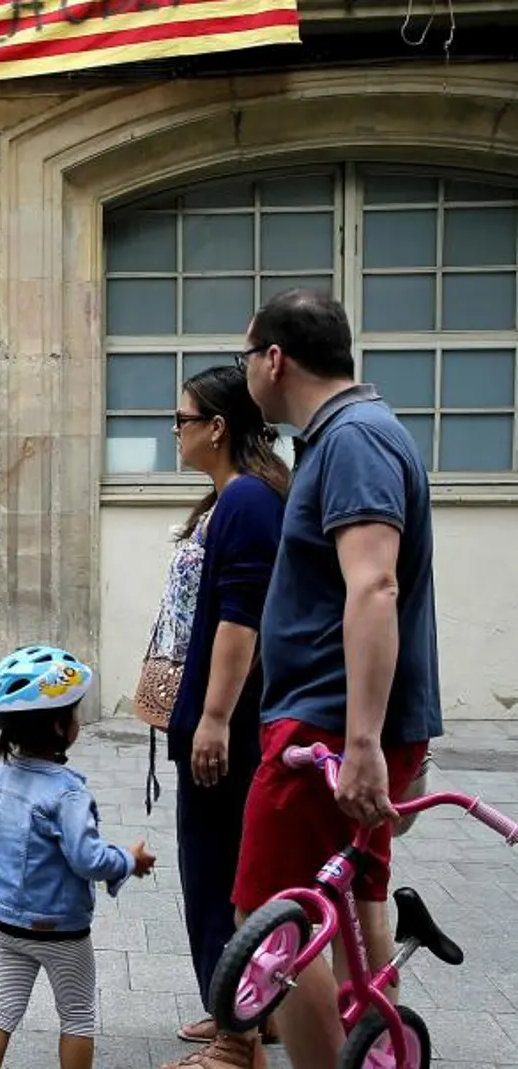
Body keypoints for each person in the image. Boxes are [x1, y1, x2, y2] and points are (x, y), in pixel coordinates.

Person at [233, 289, 442, 1069]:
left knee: (277, 909)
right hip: (341, 717)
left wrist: (361, 742)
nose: (245, 368)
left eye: (244, 354)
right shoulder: (344, 437)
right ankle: (375, 1047)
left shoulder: (353, 440)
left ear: (275, 359)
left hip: (327, 722)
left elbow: (374, 586)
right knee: (356, 896)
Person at [157, 367, 289, 1068]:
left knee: (219, 877)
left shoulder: (246, 502)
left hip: (229, 727)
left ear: (216, 427)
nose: (172, 430)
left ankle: (239, 1034)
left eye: (181, 418)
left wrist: (212, 718)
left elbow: (243, 619)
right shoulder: (231, 498)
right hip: (217, 718)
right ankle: (239, 1010)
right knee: (219, 870)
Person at [0, 645, 156, 1069]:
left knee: (0, 1011)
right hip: (60, 929)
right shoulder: (67, 793)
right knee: (77, 1015)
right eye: (73, 715)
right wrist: (128, 860)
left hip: (6, 922)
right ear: (59, 725)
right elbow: (88, 860)